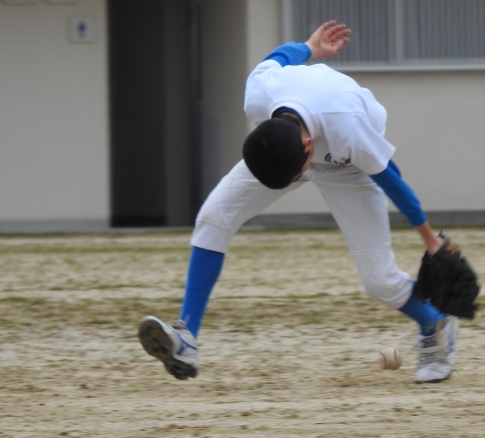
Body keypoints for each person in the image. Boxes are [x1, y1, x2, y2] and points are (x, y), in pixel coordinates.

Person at [138, 20, 458, 384]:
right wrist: (309, 47)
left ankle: (435, 323)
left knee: (379, 282)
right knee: (214, 216)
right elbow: (278, 57)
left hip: (348, 166)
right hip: (281, 149)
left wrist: (430, 239)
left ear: (309, 147)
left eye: (295, 176)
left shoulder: (348, 126)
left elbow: (392, 179)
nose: (295, 183)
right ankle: (186, 338)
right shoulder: (260, 95)